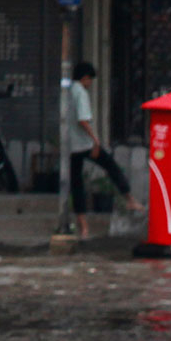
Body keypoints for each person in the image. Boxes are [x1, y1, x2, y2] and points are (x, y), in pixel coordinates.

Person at [68, 62, 142, 238]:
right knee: (111, 165)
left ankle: (83, 226)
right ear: (85, 78)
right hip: (84, 144)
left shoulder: (69, 91)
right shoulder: (80, 93)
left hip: (70, 146)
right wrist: (95, 142)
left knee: (76, 184)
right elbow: (83, 120)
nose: (90, 84)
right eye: (90, 80)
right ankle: (129, 199)